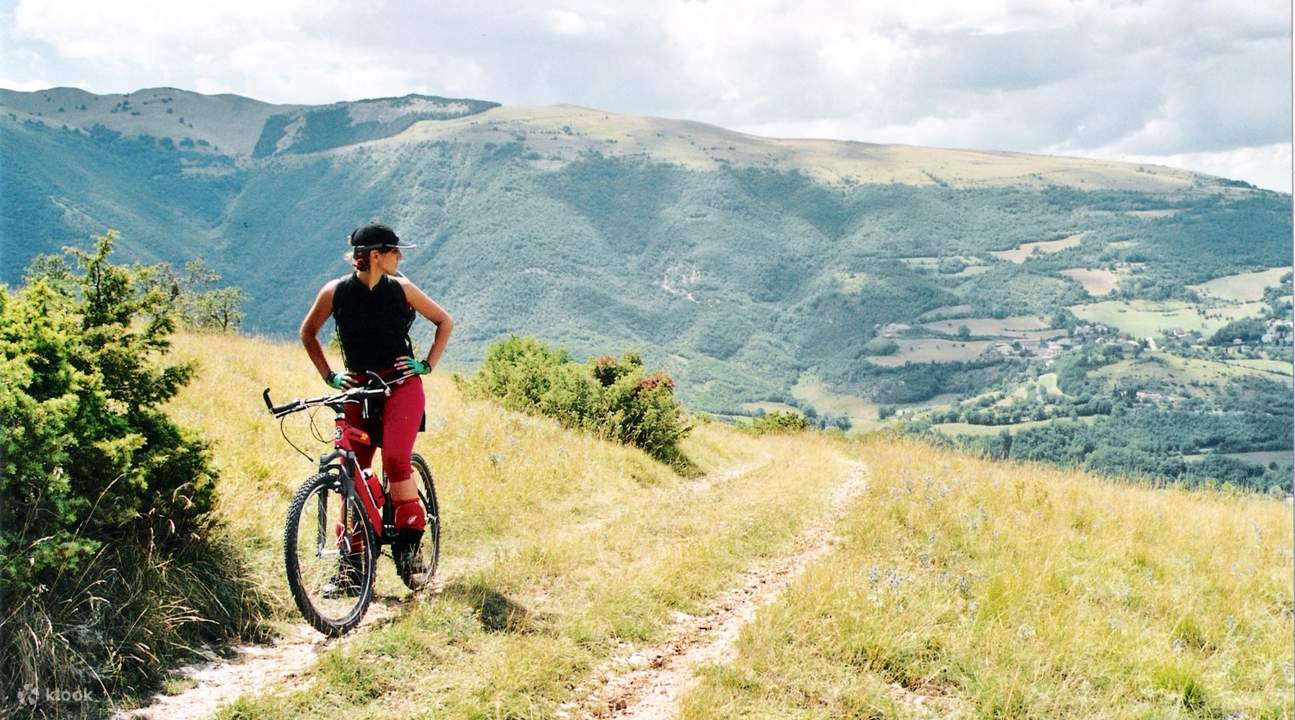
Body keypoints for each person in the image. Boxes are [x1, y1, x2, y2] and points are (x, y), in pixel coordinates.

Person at [299, 223, 453, 592]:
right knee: (351, 471)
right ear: (374, 256)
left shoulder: (401, 289)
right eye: (395, 251)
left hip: (401, 385)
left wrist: (426, 365)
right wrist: (331, 377)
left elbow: (444, 322)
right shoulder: (334, 292)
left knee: (398, 460)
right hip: (358, 386)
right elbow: (308, 332)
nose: (400, 257)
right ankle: (351, 567)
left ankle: (409, 549)